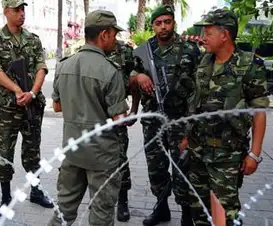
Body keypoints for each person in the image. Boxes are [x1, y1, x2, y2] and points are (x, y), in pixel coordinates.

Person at [185, 8, 269, 226]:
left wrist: (254, 154)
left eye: (209, 32)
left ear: (225, 35)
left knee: (224, 214)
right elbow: (196, 104)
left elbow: (259, 111)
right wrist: (187, 136)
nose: (204, 37)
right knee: (199, 211)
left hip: (227, 156)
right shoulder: (204, 63)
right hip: (198, 152)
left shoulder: (249, 65)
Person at [49, 10, 129, 226]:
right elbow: (118, 119)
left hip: (72, 150)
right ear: (104, 34)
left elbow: (57, 106)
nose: (116, 39)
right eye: (114, 34)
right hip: (101, 156)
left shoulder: (64, 65)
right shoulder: (110, 71)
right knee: (101, 214)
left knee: (64, 209)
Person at [129, 5, 200, 226]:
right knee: (156, 168)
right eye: (158, 23)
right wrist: (138, 76)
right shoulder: (145, 49)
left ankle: (187, 215)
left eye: (167, 22)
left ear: (174, 23)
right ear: (153, 25)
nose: (163, 27)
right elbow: (129, 75)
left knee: (183, 169)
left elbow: (199, 87)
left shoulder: (189, 49)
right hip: (153, 120)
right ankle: (161, 209)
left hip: (180, 120)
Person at [0, 0, 53, 211]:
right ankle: (6, 197)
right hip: (8, 107)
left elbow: (42, 67)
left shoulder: (33, 39)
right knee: (5, 150)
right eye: (17, 10)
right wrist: (17, 90)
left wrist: (32, 92)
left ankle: (35, 191)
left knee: (33, 151)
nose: (21, 13)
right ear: (6, 12)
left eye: (23, 9)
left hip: (32, 105)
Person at [108, 38, 141, 222]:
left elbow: (134, 80)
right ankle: (100, 199)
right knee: (95, 158)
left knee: (120, 158)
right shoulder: (88, 50)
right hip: (95, 116)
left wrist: (134, 110)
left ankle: (123, 201)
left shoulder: (125, 52)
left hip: (118, 115)